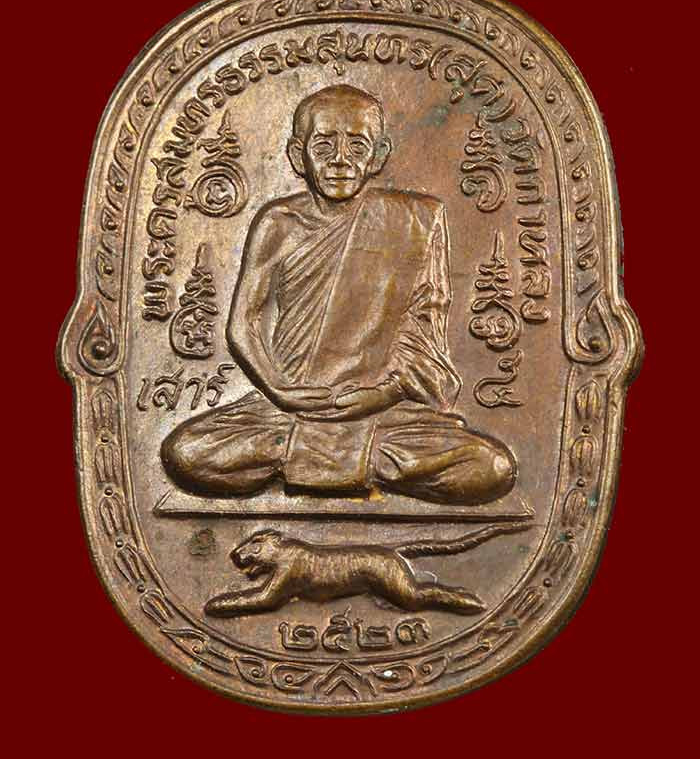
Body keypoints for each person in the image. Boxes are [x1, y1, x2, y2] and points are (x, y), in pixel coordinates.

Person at [162, 85, 516, 504]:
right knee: (186, 453)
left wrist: (383, 394)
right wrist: (278, 389)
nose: (340, 160)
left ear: (379, 156)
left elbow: (426, 332)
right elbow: (244, 324)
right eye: (324, 145)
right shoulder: (278, 222)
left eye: (357, 145)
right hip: (289, 410)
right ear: (298, 156)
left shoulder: (418, 221)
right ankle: (359, 464)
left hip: (383, 413)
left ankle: (313, 459)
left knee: (493, 467)